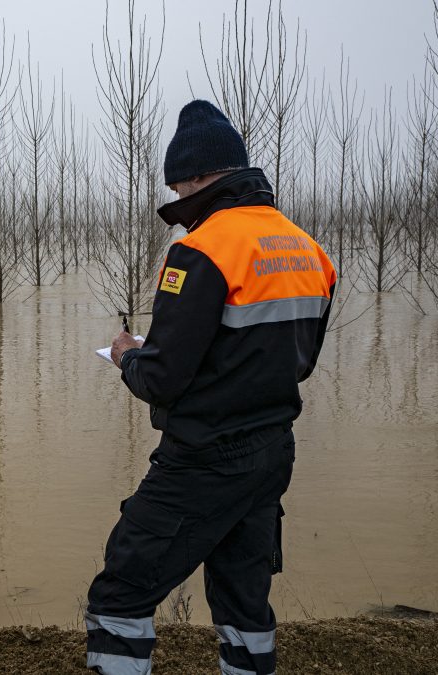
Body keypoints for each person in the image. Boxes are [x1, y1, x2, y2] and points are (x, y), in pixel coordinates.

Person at [85, 100, 336, 675]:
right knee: (243, 597)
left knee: (120, 592)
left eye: (178, 183)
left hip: (203, 455)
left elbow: (163, 378)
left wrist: (129, 356)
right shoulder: (307, 249)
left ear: (200, 175)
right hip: (273, 449)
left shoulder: (199, 251)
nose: (175, 196)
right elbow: (300, 362)